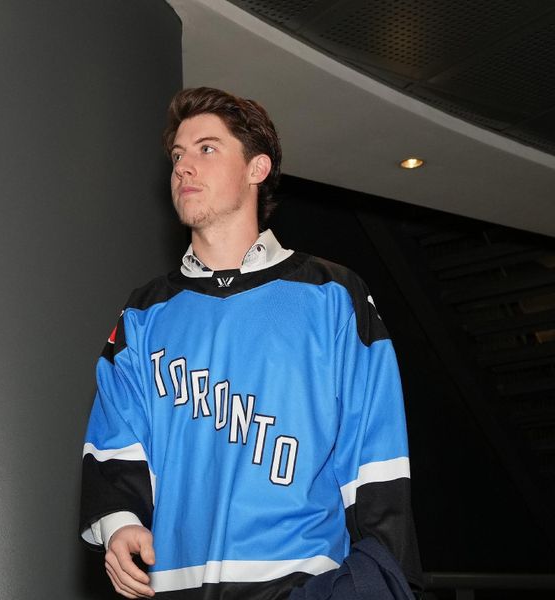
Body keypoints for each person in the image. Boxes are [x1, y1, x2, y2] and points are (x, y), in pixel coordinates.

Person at [80, 87, 422, 599]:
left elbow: (376, 453)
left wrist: (382, 579)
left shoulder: (332, 295)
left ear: (257, 169)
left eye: (207, 149)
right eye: (178, 155)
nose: (184, 167)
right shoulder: (143, 314)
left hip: (305, 585)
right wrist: (120, 523)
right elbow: (115, 440)